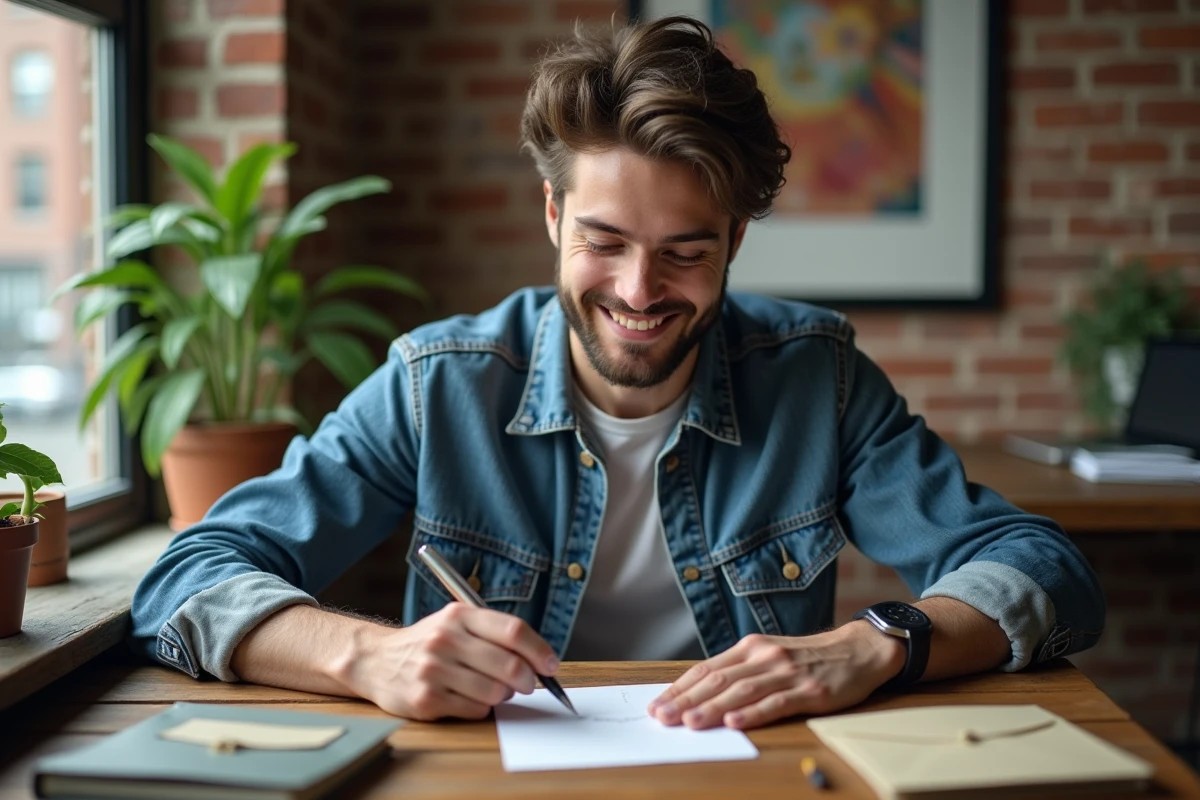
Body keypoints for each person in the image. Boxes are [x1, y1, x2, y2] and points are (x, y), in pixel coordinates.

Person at [130, 16, 1105, 732]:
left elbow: (1045, 569)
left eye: (686, 250)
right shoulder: (440, 385)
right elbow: (185, 578)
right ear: (553, 216)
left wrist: (876, 639)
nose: (640, 291)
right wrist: (366, 651)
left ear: (736, 238)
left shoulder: (819, 379)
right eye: (605, 241)